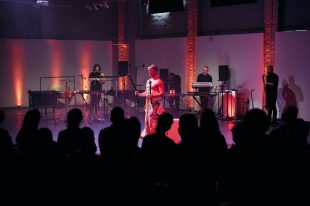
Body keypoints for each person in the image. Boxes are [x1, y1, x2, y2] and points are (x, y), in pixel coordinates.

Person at [135, 64, 165, 136]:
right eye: (149, 71)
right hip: (148, 104)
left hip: (155, 104)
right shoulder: (148, 81)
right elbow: (146, 92)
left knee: (152, 120)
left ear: (155, 71)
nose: (149, 72)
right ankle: (147, 137)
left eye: (151, 71)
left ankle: (153, 137)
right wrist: (139, 94)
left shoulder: (159, 81)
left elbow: (162, 92)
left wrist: (153, 95)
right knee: (147, 121)